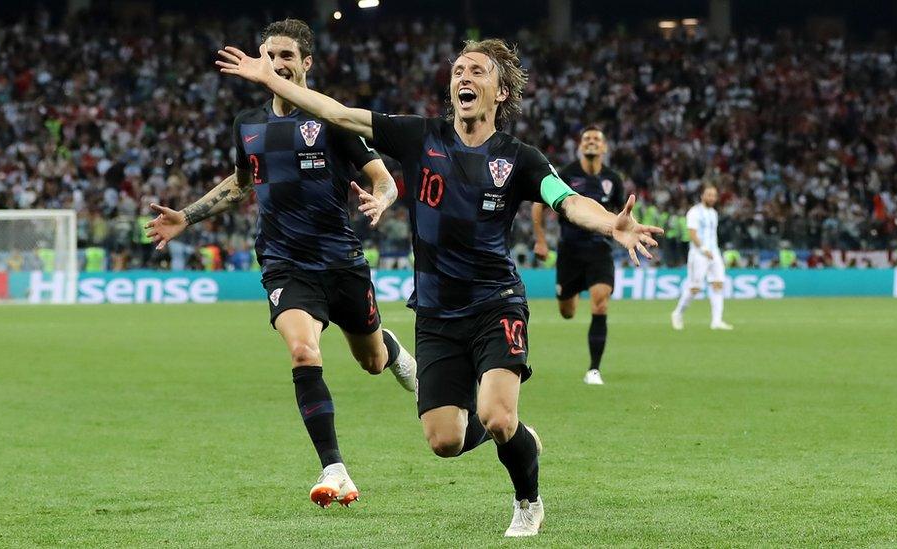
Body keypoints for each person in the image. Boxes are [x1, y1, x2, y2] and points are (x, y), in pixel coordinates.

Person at [216, 37, 662, 537]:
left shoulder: (520, 158)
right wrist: (272, 79)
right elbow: (340, 114)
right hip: (435, 313)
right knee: (444, 441)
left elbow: (569, 200)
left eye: (478, 71)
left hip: (497, 303)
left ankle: (527, 501)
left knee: (495, 415)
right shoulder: (419, 137)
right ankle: (519, 437)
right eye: (458, 70)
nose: (465, 77)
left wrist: (610, 225)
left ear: (500, 91)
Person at [147, 19, 417, 510]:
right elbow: (241, 182)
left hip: (342, 263)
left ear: (307, 62)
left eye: (287, 56)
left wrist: (382, 200)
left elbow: (384, 178)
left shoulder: (334, 121)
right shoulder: (248, 125)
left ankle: (392, 348)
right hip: (285, 263)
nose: (278, 64)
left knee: (373, 362)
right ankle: (333, 467)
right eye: (270, 55)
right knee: (302, 352)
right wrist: (185, 216)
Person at [532, 126, 626, 386]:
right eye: (587, 139)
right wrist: (540, 238)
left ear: (605, 148)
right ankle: (567, 294)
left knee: (600, 302)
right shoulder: (567, 174)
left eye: (597, 139)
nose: (592, 142)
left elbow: (622, 214)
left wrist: (629, 230)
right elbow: (539, 201)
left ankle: (594, 369)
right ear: (580, 146)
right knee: (567, 312)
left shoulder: (613, 180)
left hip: (600, 250)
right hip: (570, 251)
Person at [671, 184, 733, 330]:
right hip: (698, 254)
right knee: (695, 288)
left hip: (714, 253)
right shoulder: (694, 212)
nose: (712, 198)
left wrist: (714, 251)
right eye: (709, 195)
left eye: (714, 195)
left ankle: (716, 321)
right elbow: (692, 234)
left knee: (718, 283)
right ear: (702, 196)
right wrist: (704, 249)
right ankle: (677, 313)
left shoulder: (714, 213)